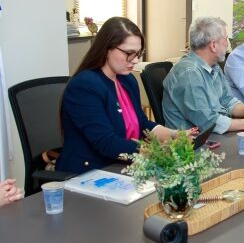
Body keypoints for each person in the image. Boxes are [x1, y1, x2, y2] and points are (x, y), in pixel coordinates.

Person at [56, 17, 182, 174]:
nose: (135, 60)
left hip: (123, 166)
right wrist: (156, 151)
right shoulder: (84, 86)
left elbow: (142, 123)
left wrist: (175, 135)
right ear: (107, 48)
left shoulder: (127, 80)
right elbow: (107, 143)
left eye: (138, 53)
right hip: (90, 172)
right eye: (129, 53)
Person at [163, 16, 244, 134]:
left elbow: (227, 100)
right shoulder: (188, 73)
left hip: (214, 138)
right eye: (225, 39)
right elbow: (207, 122)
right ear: (213, 45)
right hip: (194, 146)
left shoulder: (213, 66)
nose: (227, 44)